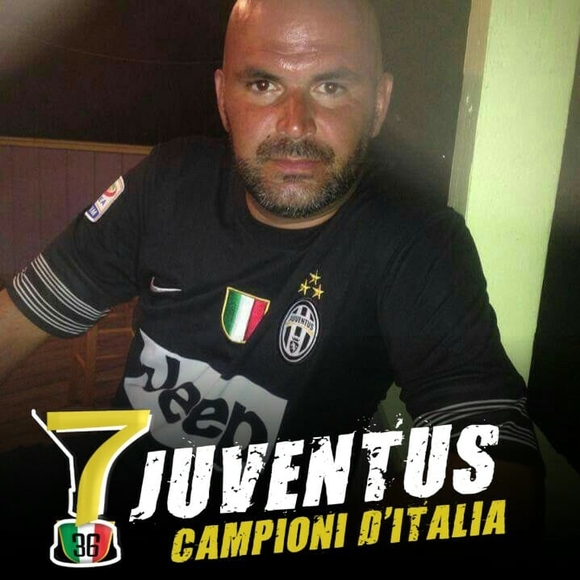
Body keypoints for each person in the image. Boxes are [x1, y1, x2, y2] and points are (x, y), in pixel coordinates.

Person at [0, 0, 544, 566]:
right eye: (263, 85)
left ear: (379, 104)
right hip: (104, 498)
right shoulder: (167, 184)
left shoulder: (416, 242)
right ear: (223, 98)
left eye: (330, 87)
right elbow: (16, 317)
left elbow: (500, 479)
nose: (294, 125)